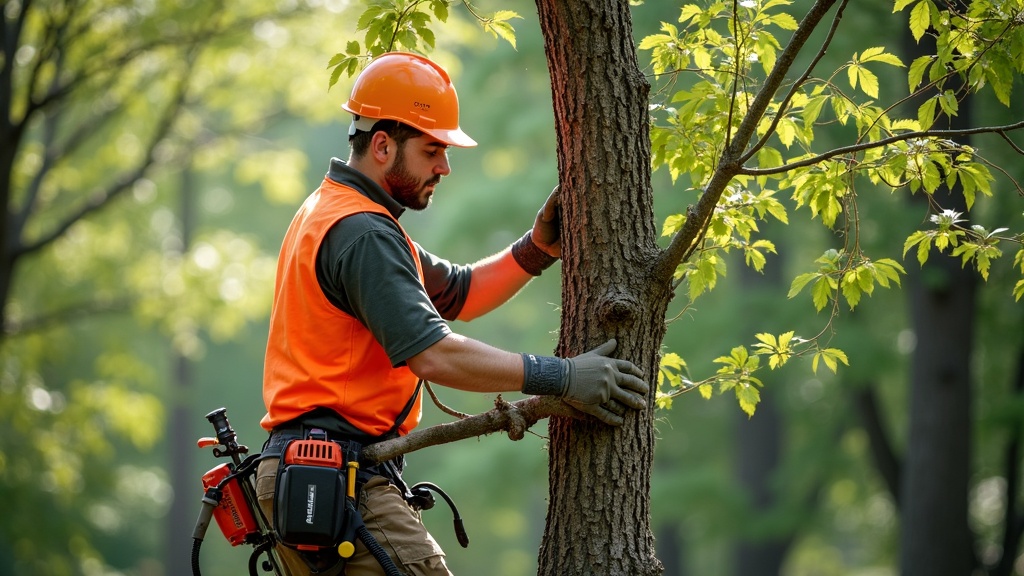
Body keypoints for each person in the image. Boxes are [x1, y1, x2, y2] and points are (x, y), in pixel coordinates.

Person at [255, 51, 649, 576]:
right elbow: (436, 356)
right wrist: (563, 376)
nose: (444, 165)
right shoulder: (364, 233)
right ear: (381, 145)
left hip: (313, 474)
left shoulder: (339, 213)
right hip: (334, 475)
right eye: (432, 149)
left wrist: (536, 248)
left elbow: (460, 293)